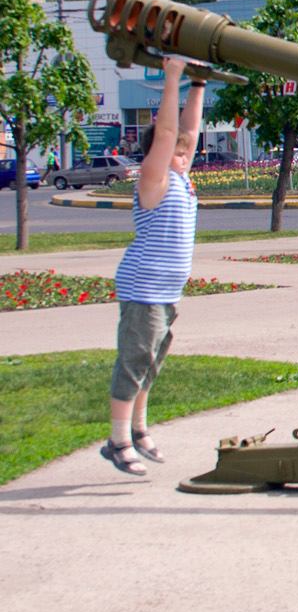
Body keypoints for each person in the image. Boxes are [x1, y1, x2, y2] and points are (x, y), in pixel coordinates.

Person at [100, 56, 207, 476]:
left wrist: (197, 85)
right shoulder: (154, 179)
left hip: (165, 292)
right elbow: (168, 133)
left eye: (184, 154)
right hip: (143, 288)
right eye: (175, 153)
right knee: (132, 362)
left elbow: (187, 132)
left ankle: (139, 431)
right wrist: (173, 78)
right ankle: (117, 440)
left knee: (149, 363)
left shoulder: (181, 177)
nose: (184, 156)